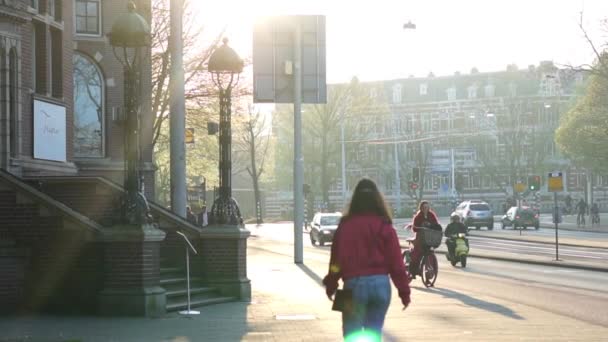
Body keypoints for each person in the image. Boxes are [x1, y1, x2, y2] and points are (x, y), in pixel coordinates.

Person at [323, 178, 411, 340]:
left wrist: (331, 282)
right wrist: (404, 291)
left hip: (353, 286)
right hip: (381, 285)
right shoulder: (384, 225)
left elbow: (336, 262)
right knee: (374, 333)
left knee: (351, 334)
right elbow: (396, 263)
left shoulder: (345, 226)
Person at [409, 201, 440, 278]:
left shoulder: (431, 215)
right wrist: (419, 228)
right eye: (424, 207)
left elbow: (436, 224)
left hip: (429, 238)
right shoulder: (418, 216)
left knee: (430, 253)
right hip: (420, 238)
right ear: (421, 208)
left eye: (427, 207)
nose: (425, 209)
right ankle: (413, 271)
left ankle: (431, 272)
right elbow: (414, 227)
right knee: (416, 254)